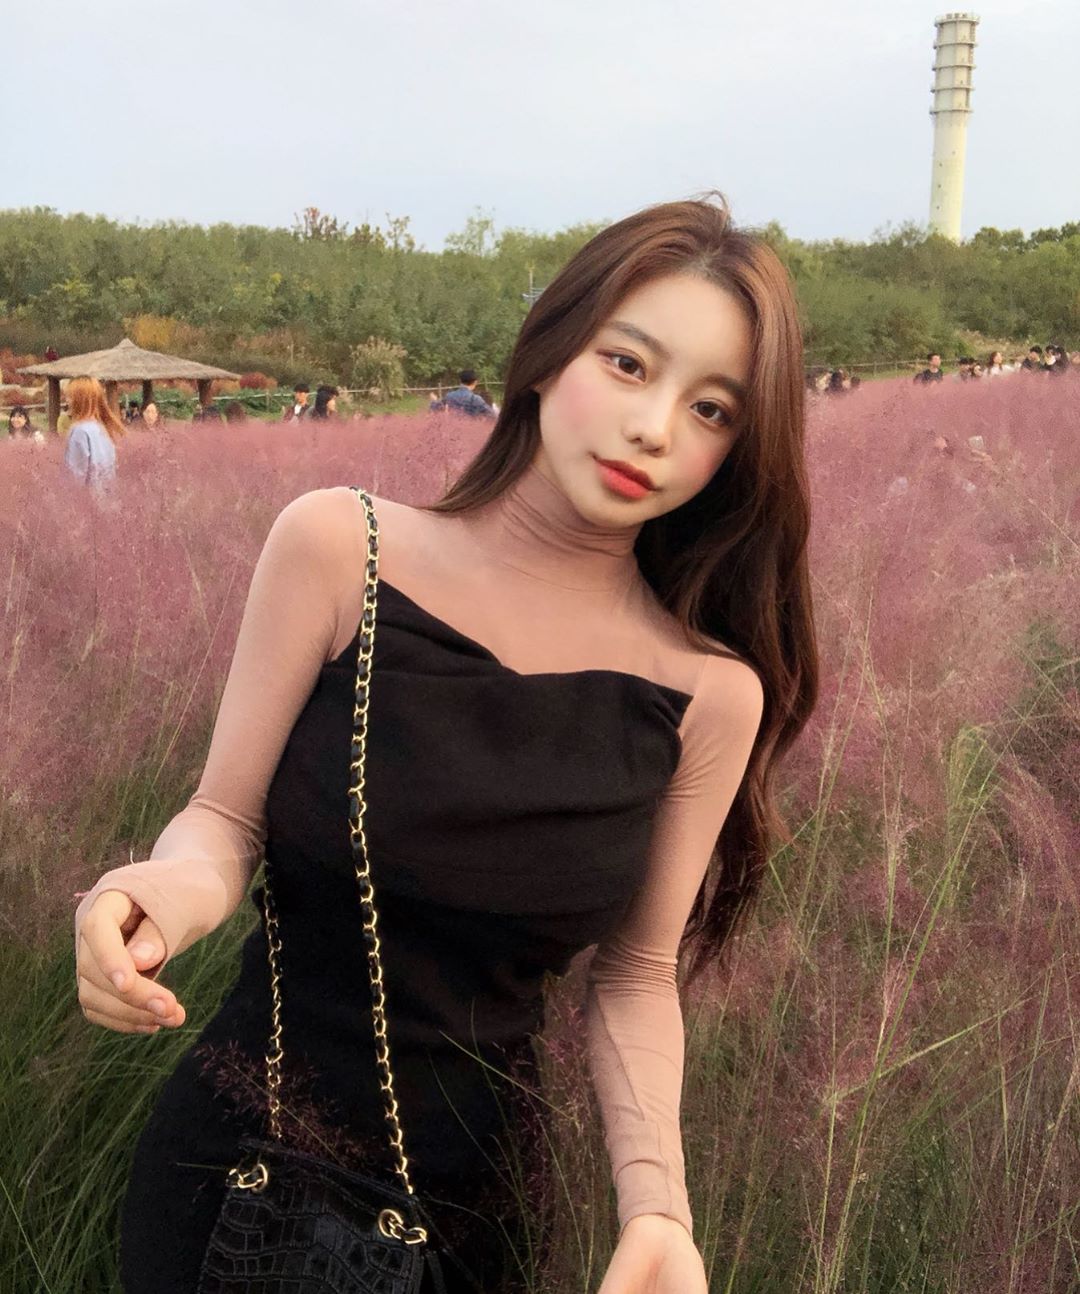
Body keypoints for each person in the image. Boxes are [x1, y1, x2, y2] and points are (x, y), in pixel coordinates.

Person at [71, 192, 818, 1294]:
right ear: (550, 351)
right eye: (627, 364)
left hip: (471, 1214)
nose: (656, 427)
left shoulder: (708, 694)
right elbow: (222, 822)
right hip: (234, 1172)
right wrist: (154, 898)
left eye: (711, 409)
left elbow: (636, 974)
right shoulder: (340, 549)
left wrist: (659, 1205)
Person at [62, 376, 124, 490]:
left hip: (86, 498)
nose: (67, 401)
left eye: (70, 396)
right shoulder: (103, 428)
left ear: (80, 400)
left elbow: (75, 478)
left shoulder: (79, 431)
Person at [429, 368, 497, 417]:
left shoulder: (449, 396)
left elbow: (435, 407)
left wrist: (434, 400)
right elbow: (492, 415)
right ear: (475, 382)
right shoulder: (475, 399)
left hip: (452, 429)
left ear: (460, 381)